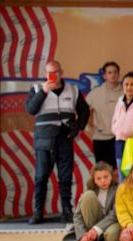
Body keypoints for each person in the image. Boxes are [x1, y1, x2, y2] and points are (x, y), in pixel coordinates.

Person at [25, 60, 90, 225]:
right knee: (41, 177)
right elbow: (30, 109)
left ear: (61, 72)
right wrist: (44, 92)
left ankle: (66, 211)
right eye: (49, 73)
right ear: (45, 74)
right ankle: (38, 212)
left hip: (65, 139)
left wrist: (78, 127)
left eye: (56, 72)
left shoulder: (73, 90)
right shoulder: (37, 89)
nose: (53, 75)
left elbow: (84, 110)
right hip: (44, 141)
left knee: (65, 177)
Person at [62, 161, 120, 241]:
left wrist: (96, 229)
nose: (103, 180)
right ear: (94, 180)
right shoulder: (89, 189)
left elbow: (114, 214)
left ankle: (97, 236)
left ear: (111, 176)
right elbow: (78, 215)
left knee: (112, 236)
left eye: (106, 177)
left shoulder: (118, 189)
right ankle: (88, 236)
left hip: (109, 223)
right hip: (91, 223)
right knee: (88, 195)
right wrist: (82, 235)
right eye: (99, 178)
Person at [86, 61, 123, 168]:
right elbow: (82, 110)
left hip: (120, 138)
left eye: (115, 72)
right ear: (104, 75)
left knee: (119, 172)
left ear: (118, 74)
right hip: (100, 139)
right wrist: (88, 127)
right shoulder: (95, 93)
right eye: (109, 72)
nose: (113, 75)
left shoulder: (126, 92)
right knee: (102, 171)